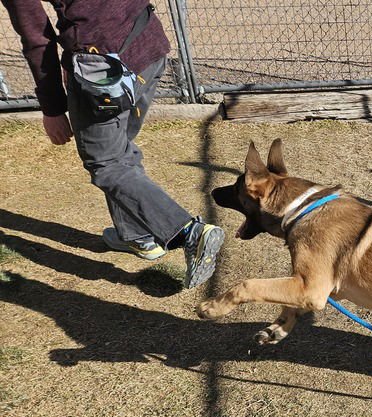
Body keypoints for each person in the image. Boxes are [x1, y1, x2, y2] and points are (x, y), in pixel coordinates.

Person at [2, 0, 223, 289]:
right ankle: (136, 235)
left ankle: (187, 231)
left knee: (106, 162)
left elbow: (36, 37)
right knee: (118, 149)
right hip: (147, 45)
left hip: (104, 72)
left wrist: (53, 108)